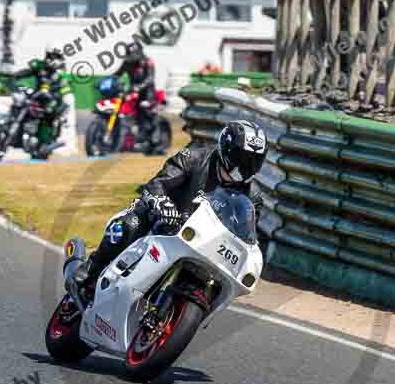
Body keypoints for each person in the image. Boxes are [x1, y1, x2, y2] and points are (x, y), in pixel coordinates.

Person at [69, 120, 268, 301]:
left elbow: (246, 236)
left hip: (203, 244)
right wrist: (163, 204)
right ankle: (92, 268)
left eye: (253, 161)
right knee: (130, 224)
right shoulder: (196, 155)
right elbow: (158, 183)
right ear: (226, 148)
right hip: (164, 217)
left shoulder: (253, 197)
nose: (245, 167)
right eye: (241, 158)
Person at [113, 43, 160, 152]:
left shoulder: (148, 62)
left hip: (147, 93)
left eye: (132, 55)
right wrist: (109, 80)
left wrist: (139, 86)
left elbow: (150, 78)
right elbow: (118, 74)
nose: (130, 58)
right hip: (133, 91)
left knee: (146, 110)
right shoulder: (127, 62)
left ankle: (155, 134)